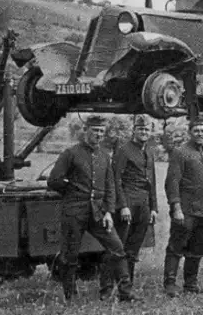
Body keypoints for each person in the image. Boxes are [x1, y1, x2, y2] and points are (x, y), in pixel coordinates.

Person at [46, 115, 138, 303]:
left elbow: (110, 187)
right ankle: (71, 296)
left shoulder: (104, 156)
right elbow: (54, 180)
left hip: (99, 213)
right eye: (95, 130)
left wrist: (109, 212)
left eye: (101, 131)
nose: (98, 134)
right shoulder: (71, 153)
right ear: (85, 130)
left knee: (117, 248)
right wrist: (72, 191)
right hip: (74, 211)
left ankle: (125, 293)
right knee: (70, 255)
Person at [163, 118, 203, 297]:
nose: (200, 134)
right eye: (196, 131)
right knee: (176, 246)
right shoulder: (180, 152)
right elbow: (172, 182)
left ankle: (191, 284)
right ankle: (170, 284)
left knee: (198, 247)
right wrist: (176, 208)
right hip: (186, 210)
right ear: (190, 133)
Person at [110, 115, 159, 294]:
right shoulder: (124, 150)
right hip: (128, 203)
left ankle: (127, 286)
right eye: (140, 129)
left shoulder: (149, 152)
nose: (144, 132)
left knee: (134, 248)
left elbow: (151, 181)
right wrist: (123, 205)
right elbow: (116, 179)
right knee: (119, 247)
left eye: (146, 129)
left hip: (143, 205)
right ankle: (109, 287)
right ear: (134, 130)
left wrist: (154, 208)